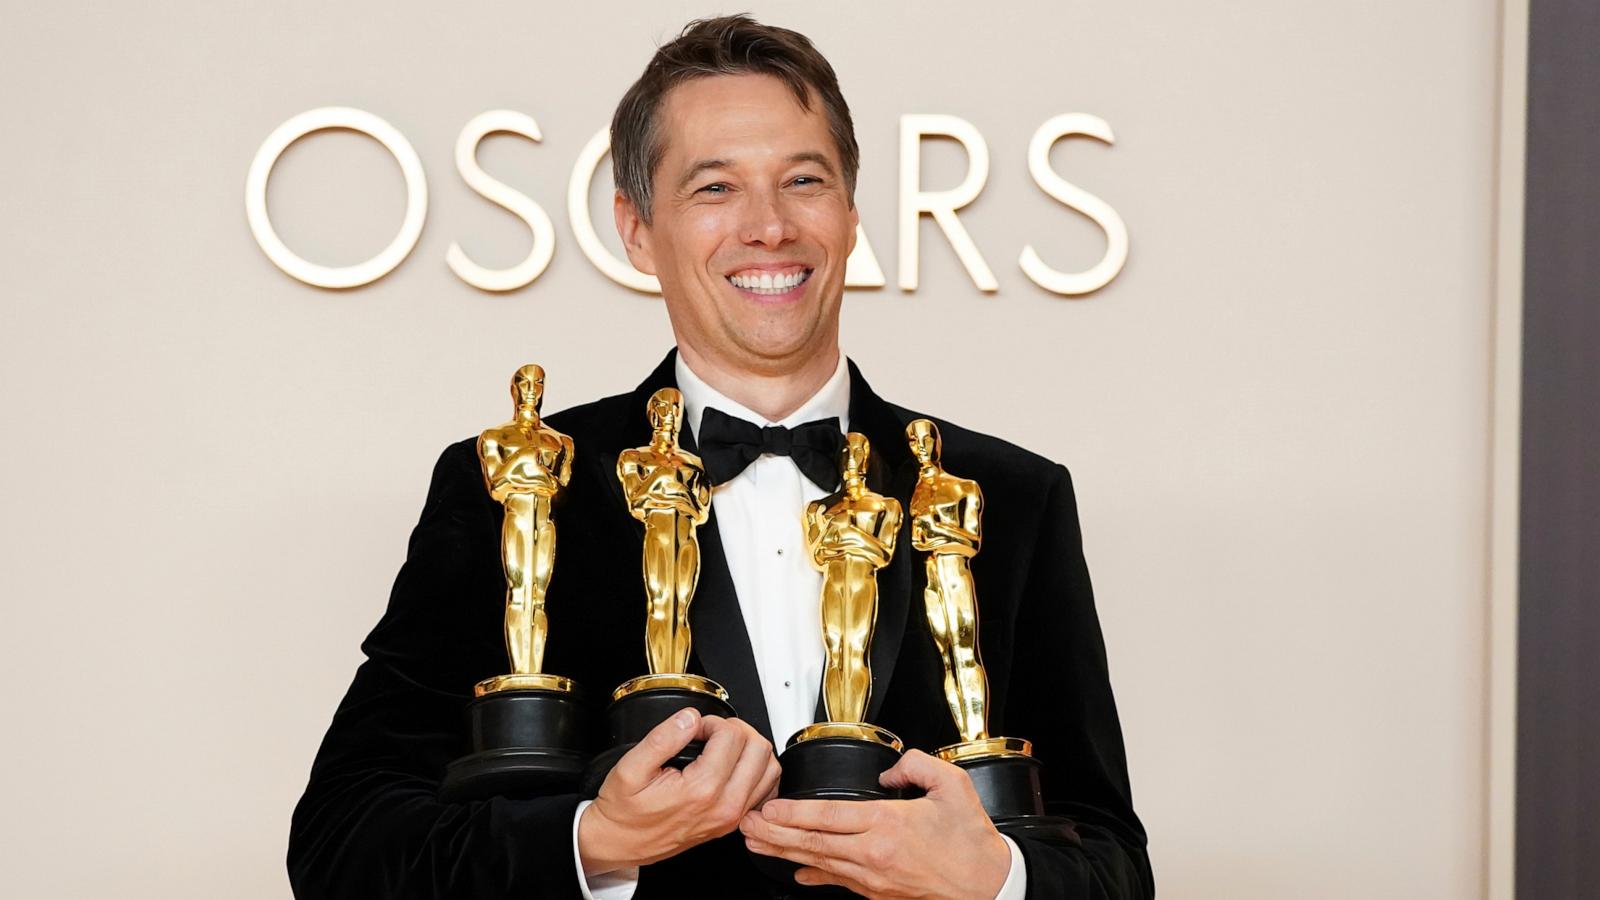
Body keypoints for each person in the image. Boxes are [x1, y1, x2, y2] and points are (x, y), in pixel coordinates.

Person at [288, 15, 1152, 900]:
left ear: (852, 215)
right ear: (635, 228)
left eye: (804, 181)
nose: (769, 226)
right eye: (714, 189)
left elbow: (1116, 866)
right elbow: (341, 843)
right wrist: (595, 842)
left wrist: (999, 879)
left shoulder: (1011, 498)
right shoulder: (509, 482)